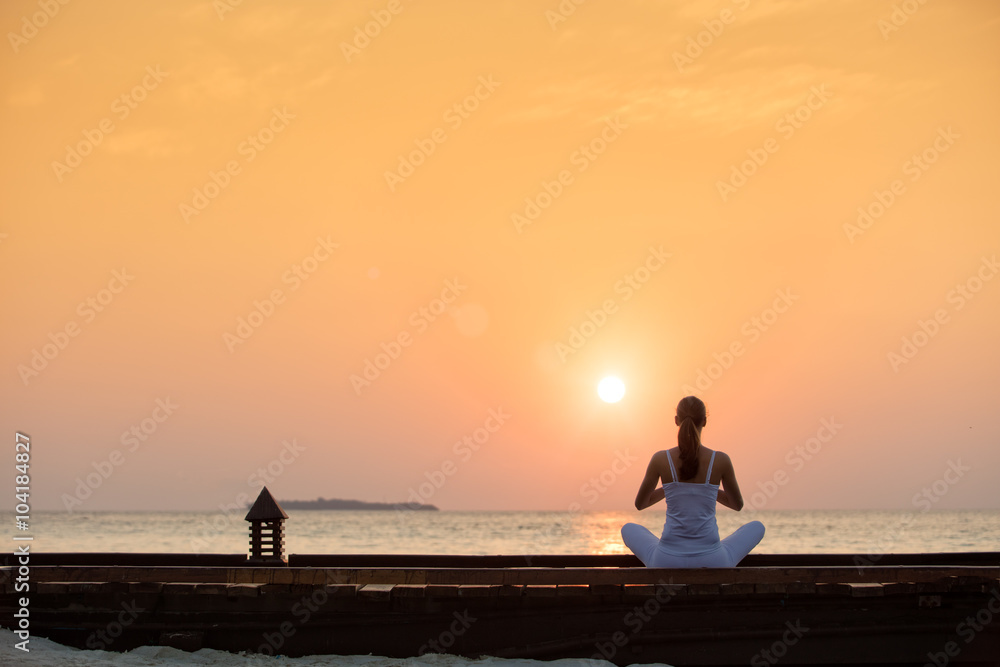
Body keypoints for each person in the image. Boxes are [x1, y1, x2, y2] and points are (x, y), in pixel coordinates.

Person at [621, 396, 764, 567]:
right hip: (714, 561)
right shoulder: (720, 460)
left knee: (628, 528)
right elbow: (736, 504)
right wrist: (707, 490)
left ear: (676, 420)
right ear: (704, 421)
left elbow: (641, 504)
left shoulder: (660, 459)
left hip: (666, 560)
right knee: (757, 527)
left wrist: (672, 487)